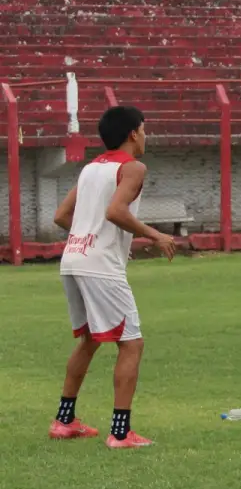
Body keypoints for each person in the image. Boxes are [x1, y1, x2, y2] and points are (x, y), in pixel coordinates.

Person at [51, 106, 176, 449]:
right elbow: (115, 211)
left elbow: (62, 216)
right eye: (145, 129)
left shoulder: (91, 168)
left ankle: (64, 422)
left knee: (90, 339)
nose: (146, 135)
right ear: (134, 133)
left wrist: (102, 240)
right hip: (99, 265)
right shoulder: (133, 167)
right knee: (131, 343)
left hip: (73, 258)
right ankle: (121, 433)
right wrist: (156, 235)